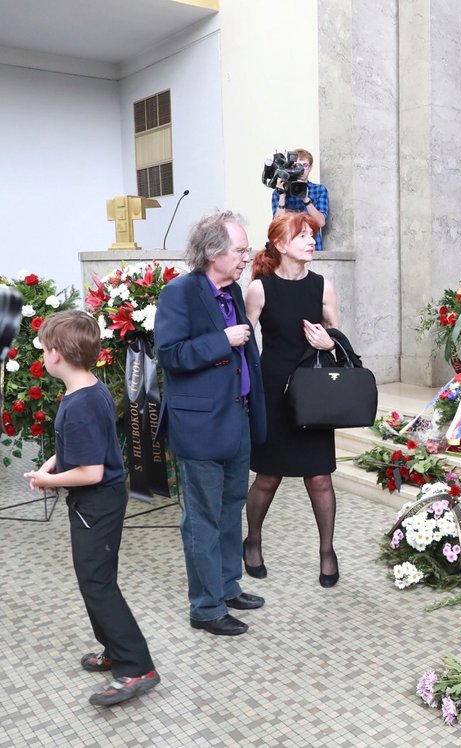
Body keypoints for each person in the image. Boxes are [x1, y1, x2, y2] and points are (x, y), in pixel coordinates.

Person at [24, 310, 159, 706]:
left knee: (98, 584)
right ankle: (115, 650)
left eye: (45, 348)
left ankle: (137, 666)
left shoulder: (80, 403)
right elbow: (81, 449)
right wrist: (51, 464)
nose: (44, 354)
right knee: (94, 580)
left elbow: (91, 470)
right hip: (97, 503)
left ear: (56, 355)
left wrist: (49, 481)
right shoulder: (86, 388)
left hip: (96, 503)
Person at [155, 210, 268, 636]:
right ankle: (205, 608)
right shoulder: (179, 293)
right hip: (199, 426)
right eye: (240, 250)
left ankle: (226, 585)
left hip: (235, 417)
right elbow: (171, 354)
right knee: (202, 518)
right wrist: (221, 341)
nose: (246, 257)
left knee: (230, 509)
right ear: (213, 252)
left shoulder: (233, 291)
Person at [242, 210, 343, 587]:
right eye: (303, 236)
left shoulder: (323, 286)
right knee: (268, 476)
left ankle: (327, 552)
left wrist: (329, 341)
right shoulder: (260, 288)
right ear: (281, 244)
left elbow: (338, 336)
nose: (311, 241)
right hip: (273, 391)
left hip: (313, 392)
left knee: (320, 477)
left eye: (312, 236)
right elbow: (245, 343)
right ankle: (252, 541)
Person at [272, 147, 329, 251]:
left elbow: (321, 222)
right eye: (297, 166)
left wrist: (305, 198)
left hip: (313, 248)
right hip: (288, 249)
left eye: (305, 166)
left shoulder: (319, 189)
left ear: (310, 168)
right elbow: (278, 225)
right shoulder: (279, 191)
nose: (301, 170)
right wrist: (282, 196)